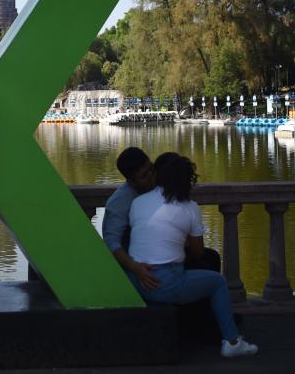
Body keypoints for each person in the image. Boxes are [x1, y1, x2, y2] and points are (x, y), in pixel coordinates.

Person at [127, 152, 258, 358]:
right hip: (163, 283)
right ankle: (232, 341)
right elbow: (197, 252)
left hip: (135, 279)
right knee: (217, 281)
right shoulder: (189, 208)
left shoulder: (138, 203)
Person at [102, 147, 160, 291]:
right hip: (137, 264)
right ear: (131, 181)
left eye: (152, 169)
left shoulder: (159, 185)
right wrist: (135, 268)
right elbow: (111, 242)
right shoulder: (120, 202)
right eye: (144, 176)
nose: (152, 177)